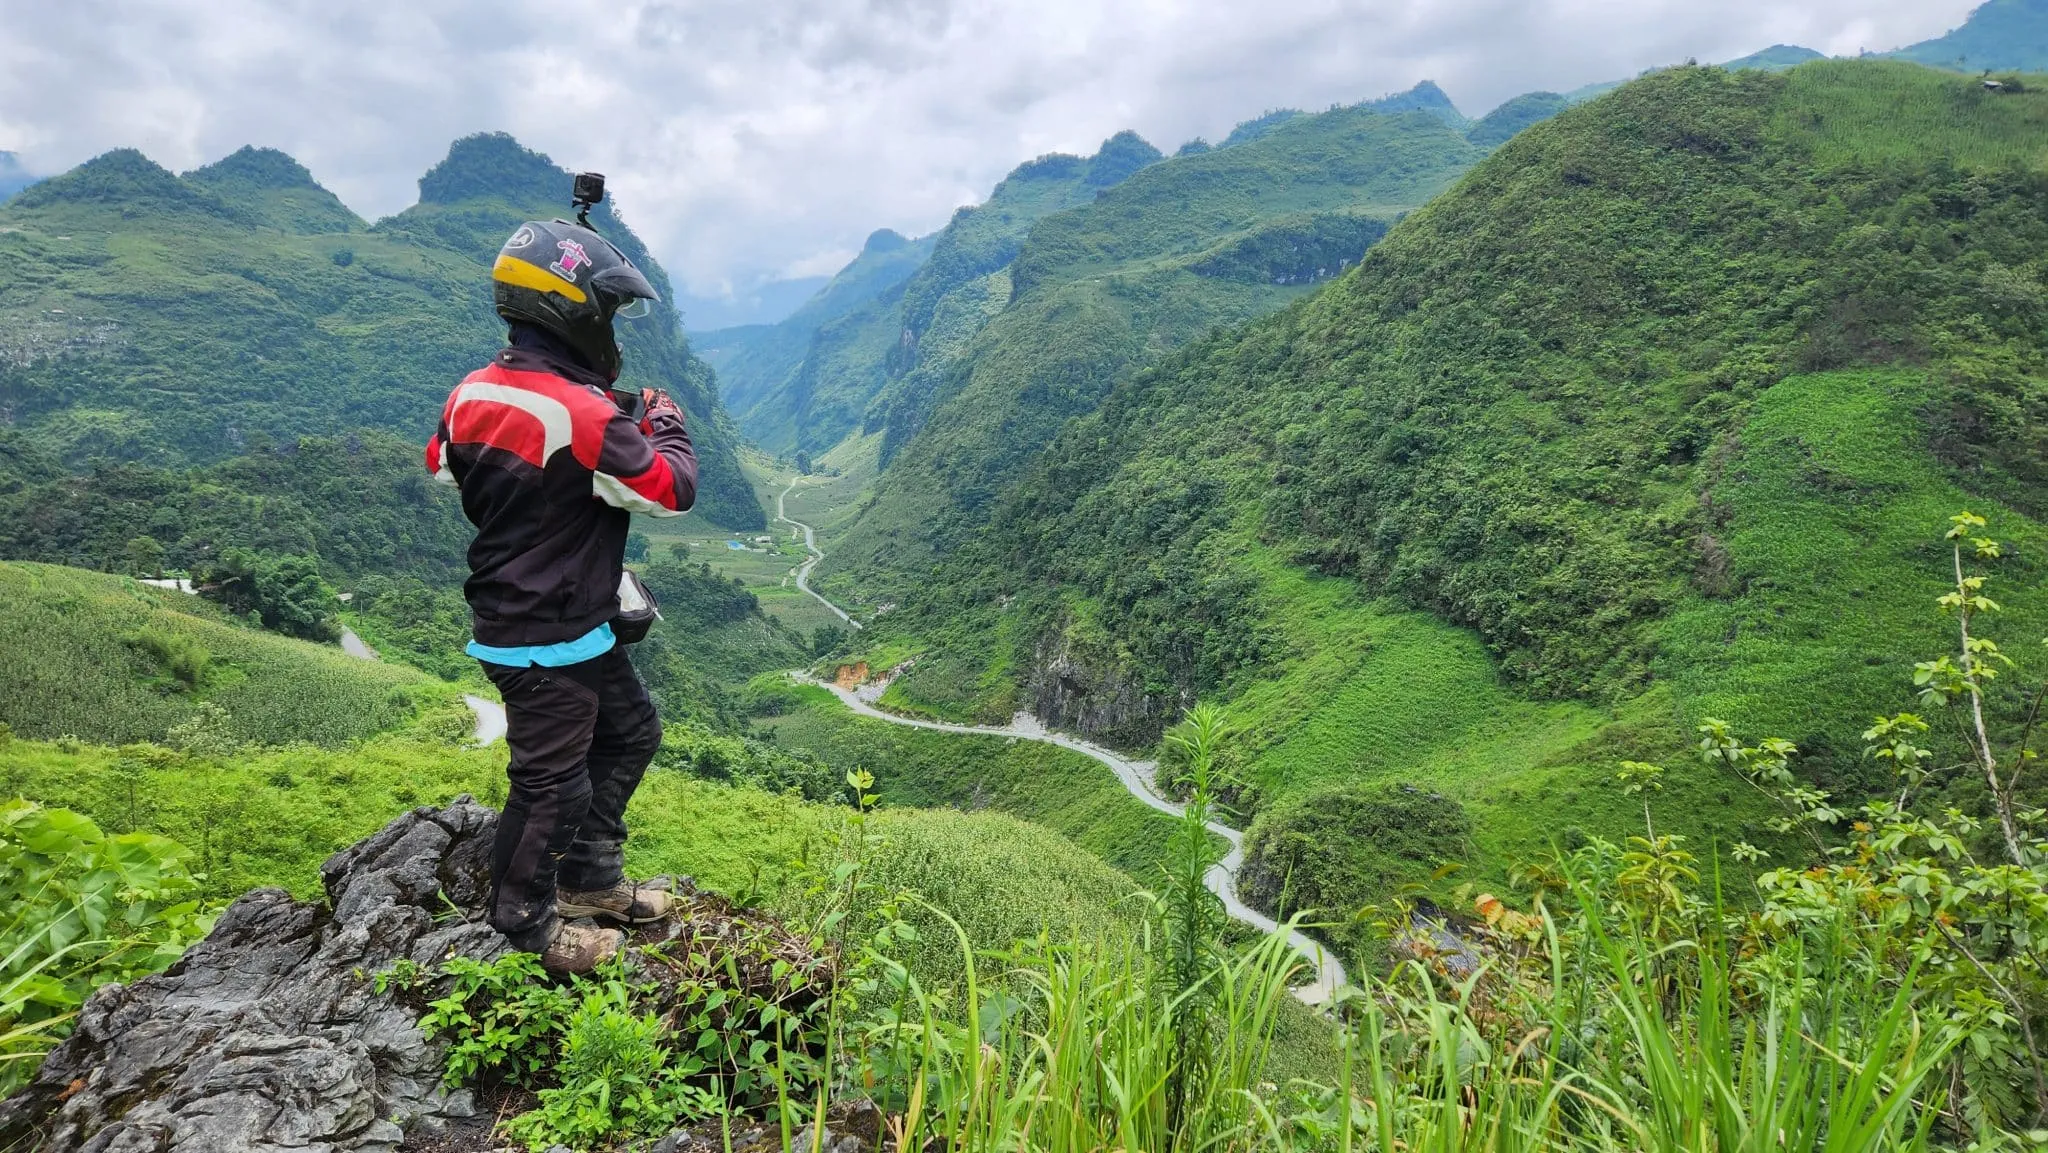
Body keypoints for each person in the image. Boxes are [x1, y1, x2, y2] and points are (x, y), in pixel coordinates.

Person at [426, 216, 697, 972]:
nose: (610, 326)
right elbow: (671, 489)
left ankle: (590, 880)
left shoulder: (472, 390)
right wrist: (664, 424)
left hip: (552, 616)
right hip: (546, 632)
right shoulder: (584, 414)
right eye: (606, 311)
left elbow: (443, 464)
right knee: (553, 785)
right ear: (575, 311)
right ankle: (523, 925)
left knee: (632, 731)